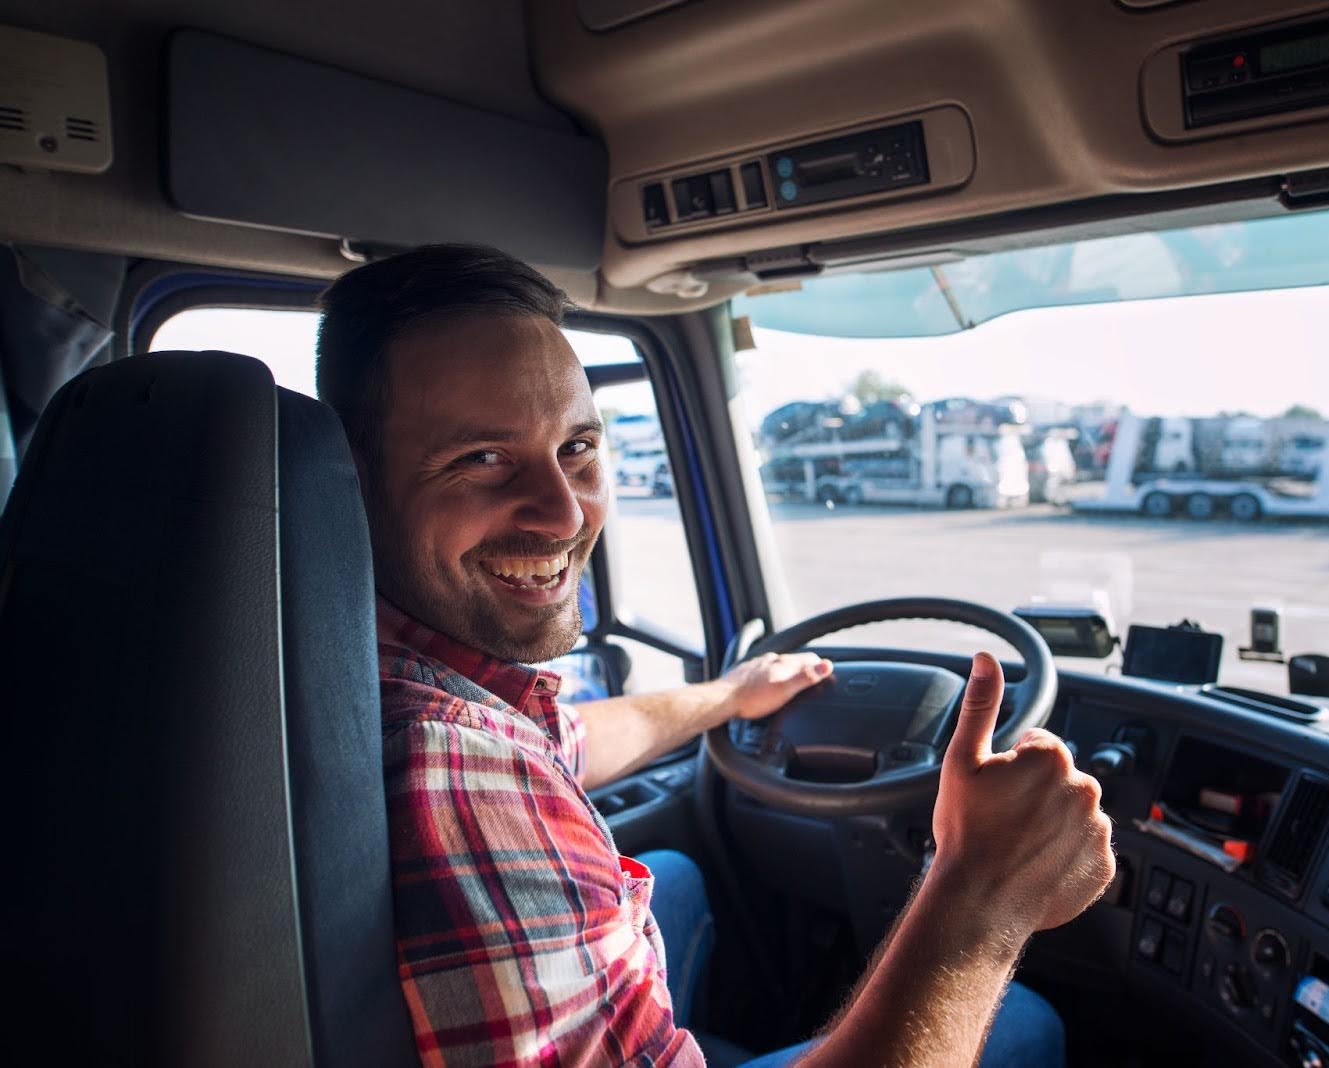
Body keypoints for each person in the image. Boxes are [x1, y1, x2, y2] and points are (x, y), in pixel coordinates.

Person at [315, 244, 1116, 1067]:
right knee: (1021, 1021)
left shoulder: (365, 666)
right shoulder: (455, 770)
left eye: (578, 449)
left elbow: (563, 741)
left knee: (675, 876)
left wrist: (730, 696)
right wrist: (981, 892)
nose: (564, 514)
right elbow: (489, 768)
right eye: (482, 459)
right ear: (352, 484)